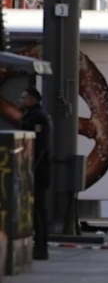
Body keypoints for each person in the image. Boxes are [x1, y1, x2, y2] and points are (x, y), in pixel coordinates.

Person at [20, 87, 52, 261]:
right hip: (33, 169)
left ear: (32, 100)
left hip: (38, 171)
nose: (21, 99)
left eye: (24, 97)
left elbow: (40, 147)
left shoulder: (38, 117)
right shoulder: (31, 115)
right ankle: (37, 245)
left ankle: (41, 247)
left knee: (38, 209)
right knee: (34, 210)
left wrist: (31, 168)